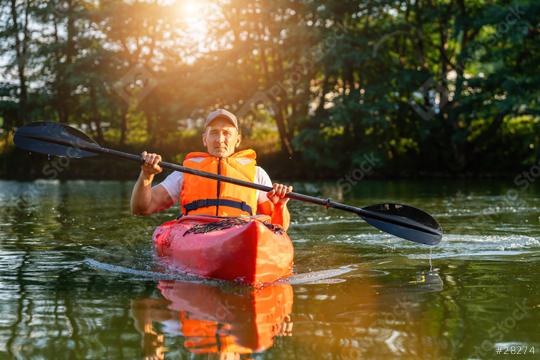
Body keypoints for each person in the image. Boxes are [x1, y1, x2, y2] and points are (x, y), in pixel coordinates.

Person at [130, 109, 293, 229]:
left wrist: (280, 205)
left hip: (241, 231)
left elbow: (279, 228)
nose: (220, 139)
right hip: (196, 231)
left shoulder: (257, 173)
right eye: (214, 133)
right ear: (204, 139)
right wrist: (146, 176)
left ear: (238, 140)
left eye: (227, 133)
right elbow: (141, 208)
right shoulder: (184, 172)